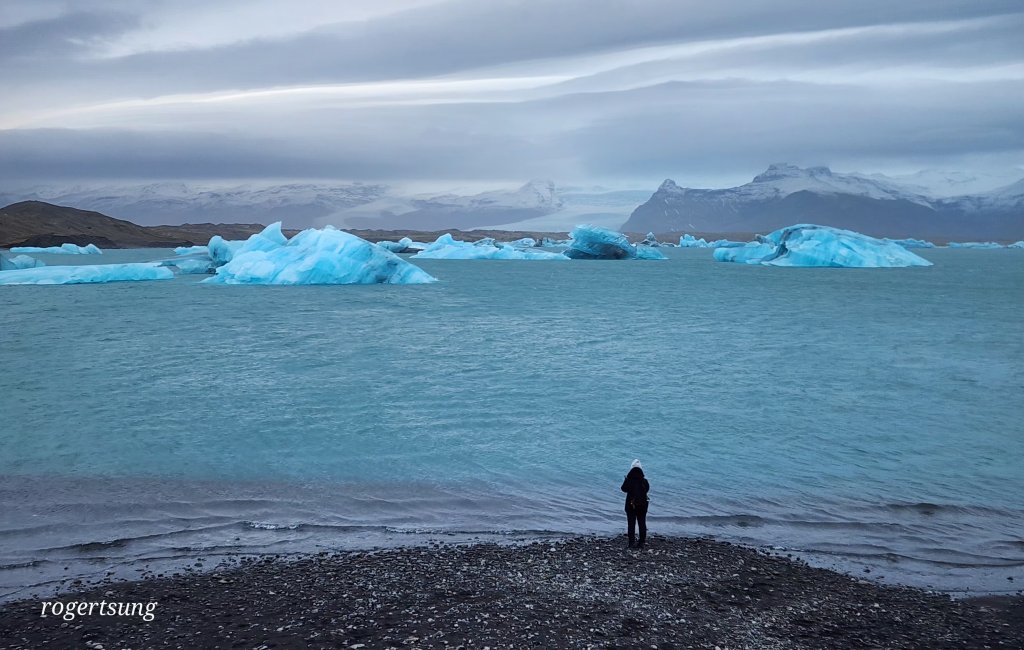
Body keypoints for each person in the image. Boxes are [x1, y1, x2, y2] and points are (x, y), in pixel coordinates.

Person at [620, 458, 650, 549]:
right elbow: (647, 489)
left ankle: (631, 543)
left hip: (631, 505)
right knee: (642, 523)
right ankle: (641, 543)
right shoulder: (644, 481)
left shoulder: (629, 480)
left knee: (631, 524)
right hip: (643, 505)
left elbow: (623, 489)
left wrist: (626, 479)